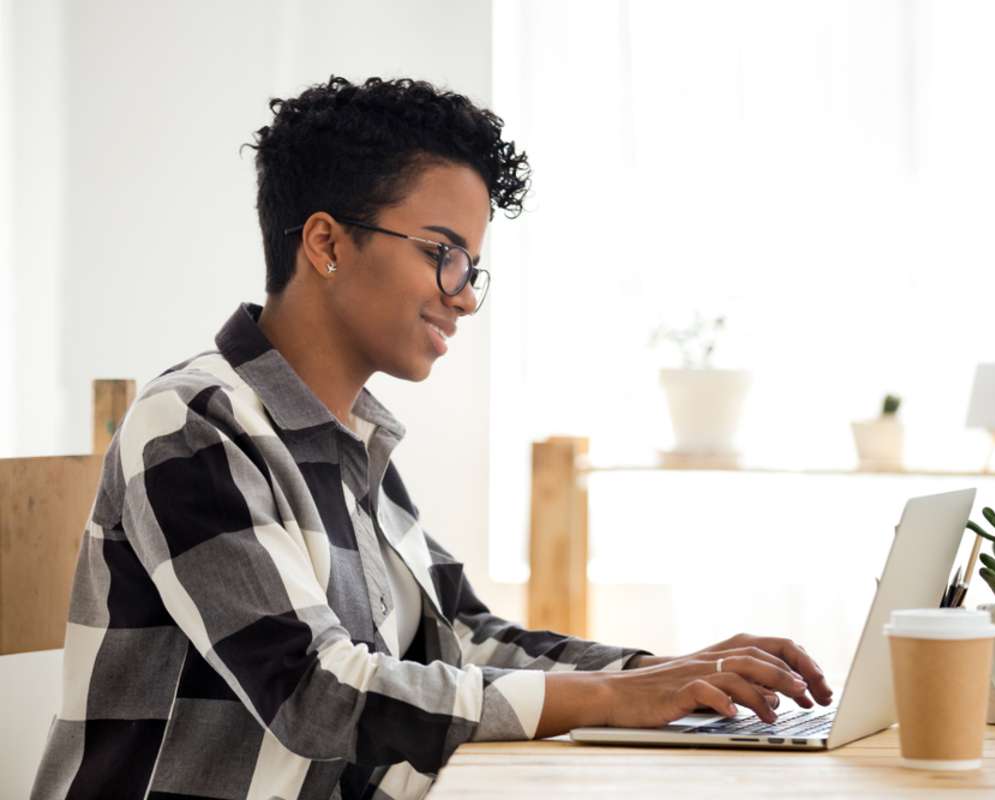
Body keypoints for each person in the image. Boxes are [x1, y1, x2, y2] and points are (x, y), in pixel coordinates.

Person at [31, 76, 833, 800]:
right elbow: (317, 695)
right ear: (326, 244)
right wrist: (617, 699)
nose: (465, 298)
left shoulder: (352, 441)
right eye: (443, 254)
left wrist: (663, 673)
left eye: (471, 266)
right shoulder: (193, 425)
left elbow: (462, 639)